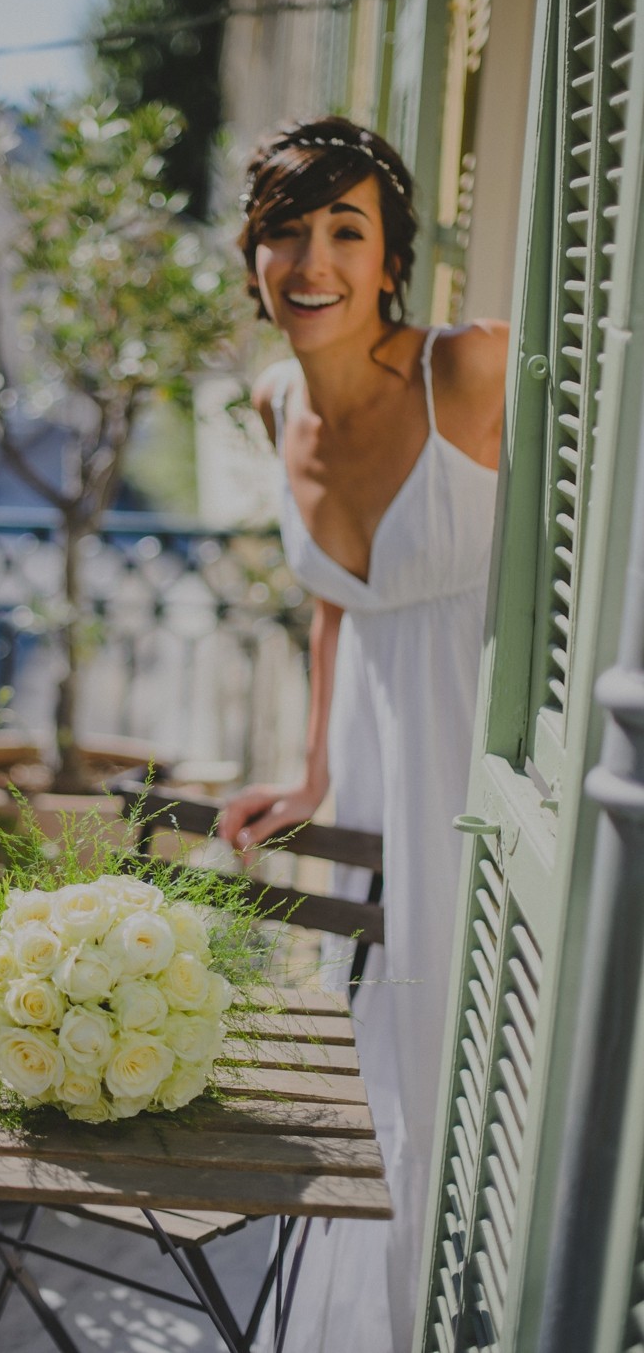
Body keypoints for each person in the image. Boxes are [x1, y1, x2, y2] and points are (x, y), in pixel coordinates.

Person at [218, 116, 507, 1352]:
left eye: (346, 228)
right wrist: (313, 764)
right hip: (379, 775)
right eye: (286, 229)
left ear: (390, 258)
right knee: (377, 1046)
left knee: (478, 1046)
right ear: (253, 258)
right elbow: (337, 590)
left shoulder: (474, 370)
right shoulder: (271, 396)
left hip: (493, 755)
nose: (312, 258)